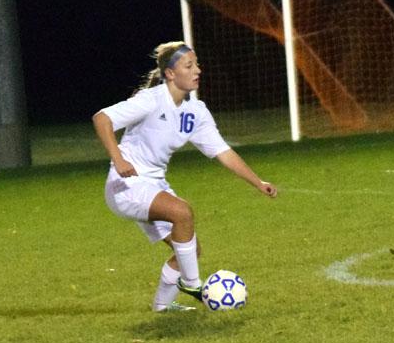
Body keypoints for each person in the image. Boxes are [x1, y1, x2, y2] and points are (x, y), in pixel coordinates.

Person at [93, 41, 278, 312]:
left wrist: (258, 182)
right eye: (189, 65)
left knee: (188, 248)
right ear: (170, 73)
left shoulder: (196, 111)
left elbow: (223, 152)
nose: (197, 70)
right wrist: (118, 159)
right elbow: (101, 118)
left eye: (197, 64)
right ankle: (192, 284)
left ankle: (162, 307)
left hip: (153, 185)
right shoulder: (151, 100)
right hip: (126, 184)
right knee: (182, 213)